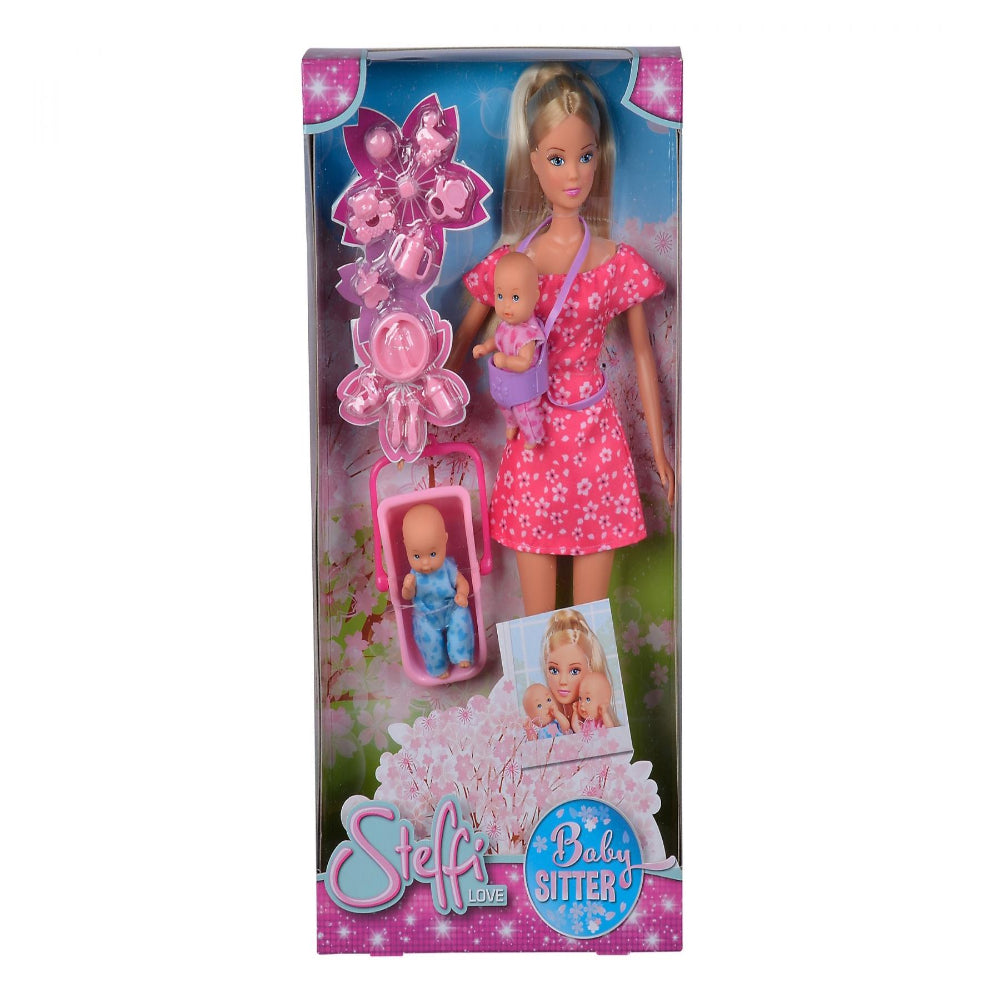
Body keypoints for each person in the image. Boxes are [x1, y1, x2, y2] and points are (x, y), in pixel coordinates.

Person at [448, 63, 675, 615]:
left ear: (600, 157)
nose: (573, 174)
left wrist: (660, 450)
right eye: (557, 159)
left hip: (595, 440)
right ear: (533, 162)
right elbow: (461, 346)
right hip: (534, 440)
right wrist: (426, 397)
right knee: (539, 621)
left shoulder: (616, 263)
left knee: (589, 623)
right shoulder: (512, 262)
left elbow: (644, 355)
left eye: (585, 156)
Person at [400, 503, 474, 679]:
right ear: (406, 547)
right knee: (427, 638)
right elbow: (408, 597)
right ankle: (437, 666)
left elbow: (461, 582)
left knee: (462, 619)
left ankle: (462, 653)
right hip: (426, 615)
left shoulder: (447, 567)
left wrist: (462, 594)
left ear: (444, 540)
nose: (425, 563)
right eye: (417, 556)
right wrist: (407, 587)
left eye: (433, 554)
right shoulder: (413, 575)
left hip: (451, 607)